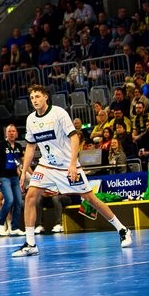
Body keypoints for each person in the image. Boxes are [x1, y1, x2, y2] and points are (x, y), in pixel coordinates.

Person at [16, 85, 133, 257]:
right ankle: (31, 243)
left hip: (66, 165)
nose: (34, 100)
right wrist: (25, 171)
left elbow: (74, 137)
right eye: (32, 97)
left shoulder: (59, 113)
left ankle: (122, 229)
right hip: (46, 165)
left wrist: (72, 164)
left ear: (46, 97)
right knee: (31, 196)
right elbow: (31, 146)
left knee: (90, 198)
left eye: (38, 96)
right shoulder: (31, 120)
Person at [0, 125, 25, 236]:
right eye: (9, 131)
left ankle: (14, 228)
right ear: (6, 133)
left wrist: (32, 174)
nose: (11, 133)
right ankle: (0, 224)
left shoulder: (18, 146)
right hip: (3, 177)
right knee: (9, 200)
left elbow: (23, 161)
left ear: (17, 133)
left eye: (13, 131)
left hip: (14, 177)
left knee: (19, 201)